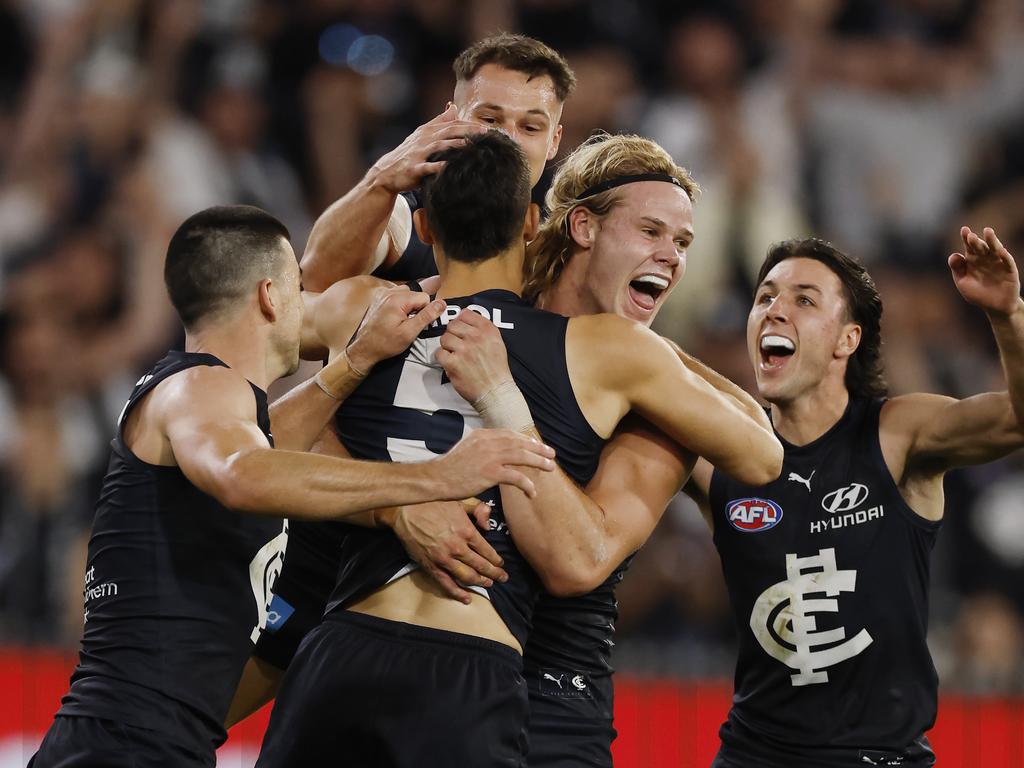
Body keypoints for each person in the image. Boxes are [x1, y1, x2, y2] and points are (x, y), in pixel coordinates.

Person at [233, 133, 771, 768]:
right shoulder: (610, 353)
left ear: (427, 227)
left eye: (682, 242)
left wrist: (351, 364)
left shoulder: (374, 306)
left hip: (345, 651)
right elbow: (763, 454)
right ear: (547, 223)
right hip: (472, 663)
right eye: (652, 232)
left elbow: (260, 334)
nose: (670, 256)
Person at [28, 204, 557, 768]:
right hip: (126, 751)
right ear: (270, 296)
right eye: (299, 287)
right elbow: (244, 472)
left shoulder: (198, 397)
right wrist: (431, 478)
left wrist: (352, 364)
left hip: (130, 743)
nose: (308, 304)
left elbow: (266, 447)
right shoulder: (203, 387)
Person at [685, 230, 1024, 767]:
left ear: (847, 340)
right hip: (753, 755)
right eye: (765, 297)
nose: (775, 311)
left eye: (804, 299)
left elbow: (1016, 420)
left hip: (880, 757)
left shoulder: (895, 434)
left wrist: (1008, 316)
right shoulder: (717, 453)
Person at [299, 32, 575, 290]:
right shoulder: (406, 214)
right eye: (490, 119)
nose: (509, 140)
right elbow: (314, 279)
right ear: (452, 120)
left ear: (554, 141)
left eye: (531, 127)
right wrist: (380, 181)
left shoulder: (563, 249)